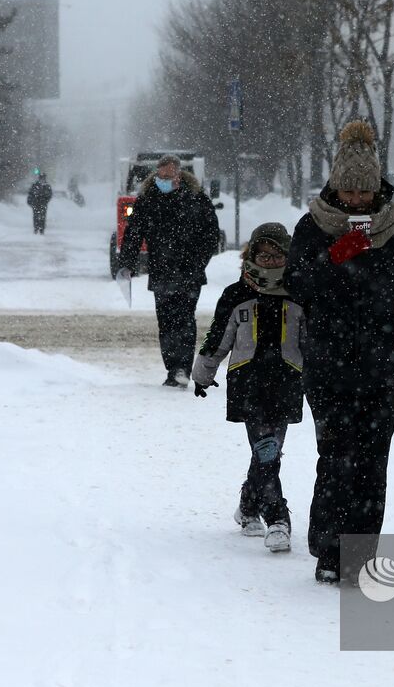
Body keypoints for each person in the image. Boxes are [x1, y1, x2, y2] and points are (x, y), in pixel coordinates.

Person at [284, 120, 394, 585]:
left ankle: (358, 555)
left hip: (379, 363)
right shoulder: (313, 226)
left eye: (364, 193)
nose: (356, 201)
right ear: (336, 187)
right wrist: (333, 257)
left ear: (377, 189)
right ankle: (328, 548)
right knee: (336, 456)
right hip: (327, 361)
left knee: (373, 462)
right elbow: (293, 285)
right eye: (348, 192)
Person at [192, 223, 305, 554]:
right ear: (250, 255)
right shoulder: (235, 294)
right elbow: (218, 338)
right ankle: (278, 520)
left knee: (268, 452)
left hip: (287, 382)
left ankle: (247, 504)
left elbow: (312, 342)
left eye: (277, 255)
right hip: (248, 384)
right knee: (268, 451)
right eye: (262, 254)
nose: (269, 261)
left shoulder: (299, 293)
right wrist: (203, 373)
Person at [120, 154, 222, 388]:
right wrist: (127, 262)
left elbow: (211, 235)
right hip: (162, 271)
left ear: (179, 175)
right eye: (161, 175)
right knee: (166, 321)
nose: (165, 179)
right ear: (156, 174)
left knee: (185, 319)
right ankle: (172, 368)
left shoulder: (196, 199)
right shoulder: (148, 200)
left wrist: (198, 262)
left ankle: (182, 369)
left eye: (170, 174)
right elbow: (134, 233)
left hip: (189, 272)